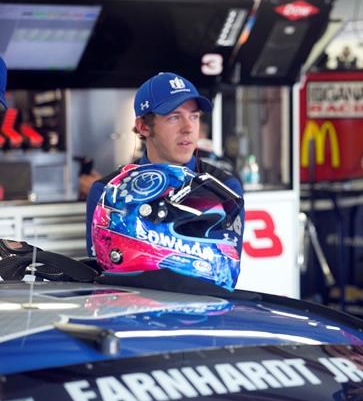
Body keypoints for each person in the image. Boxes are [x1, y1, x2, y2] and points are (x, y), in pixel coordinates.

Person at [85, 72, 244, 283]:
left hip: (202, 309)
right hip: (129, 308)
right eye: (174, 117)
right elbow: (102, 271)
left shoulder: (223, 189)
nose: (188, 128)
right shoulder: (107, 191)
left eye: (194, 116)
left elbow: (225, 273)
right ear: (143, 126)